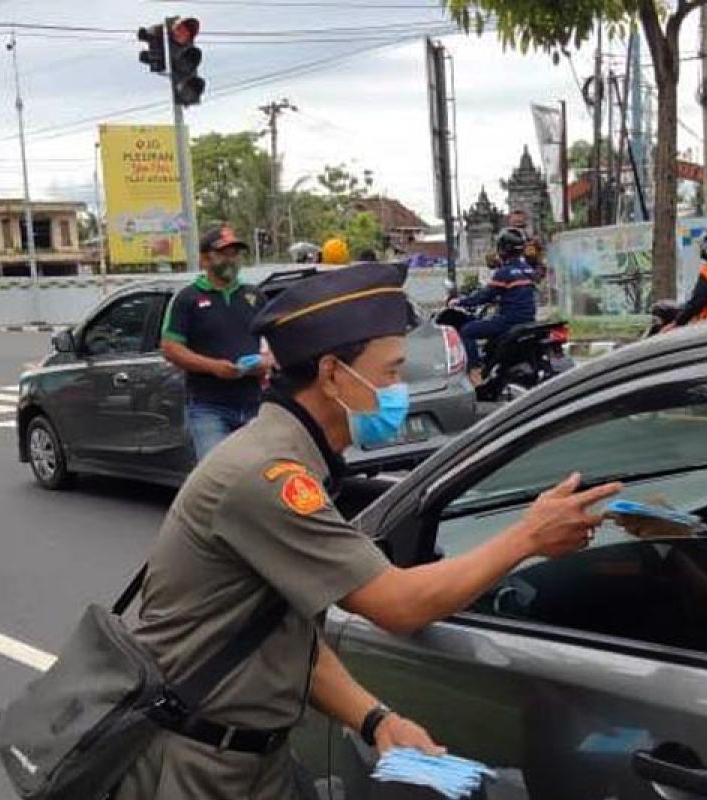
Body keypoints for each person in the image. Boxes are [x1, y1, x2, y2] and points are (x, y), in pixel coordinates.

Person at [113, 263, 621, 800]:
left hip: (253, 760)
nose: (399, 390)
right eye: (392, 373)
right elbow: (398, 604)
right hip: (197, 768)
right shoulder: (268, 476)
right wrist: (527, 537)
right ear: (333, 375)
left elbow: (278, 639)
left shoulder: (293, 457)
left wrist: (376, 720)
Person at [162, 225, 271, 461]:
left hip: (254, 405)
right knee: (217, 475)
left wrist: (266, 362)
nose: (230, 260)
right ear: (204, 259)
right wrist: (214, 367)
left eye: (235, 254)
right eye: (223, 253)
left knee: (257, 474)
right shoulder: (187, 299)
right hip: (208, 407)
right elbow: (171, 348)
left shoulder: (254, 296)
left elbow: (277, 343)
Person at [453, 227, 538, 386]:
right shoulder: (528, 270)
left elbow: (485, 295)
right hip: (529, 319)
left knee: (466, 331)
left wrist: (460, 301)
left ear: (503, 249)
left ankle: (475, 373)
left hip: (509, 321)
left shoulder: (503, 273)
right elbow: (515, 293)